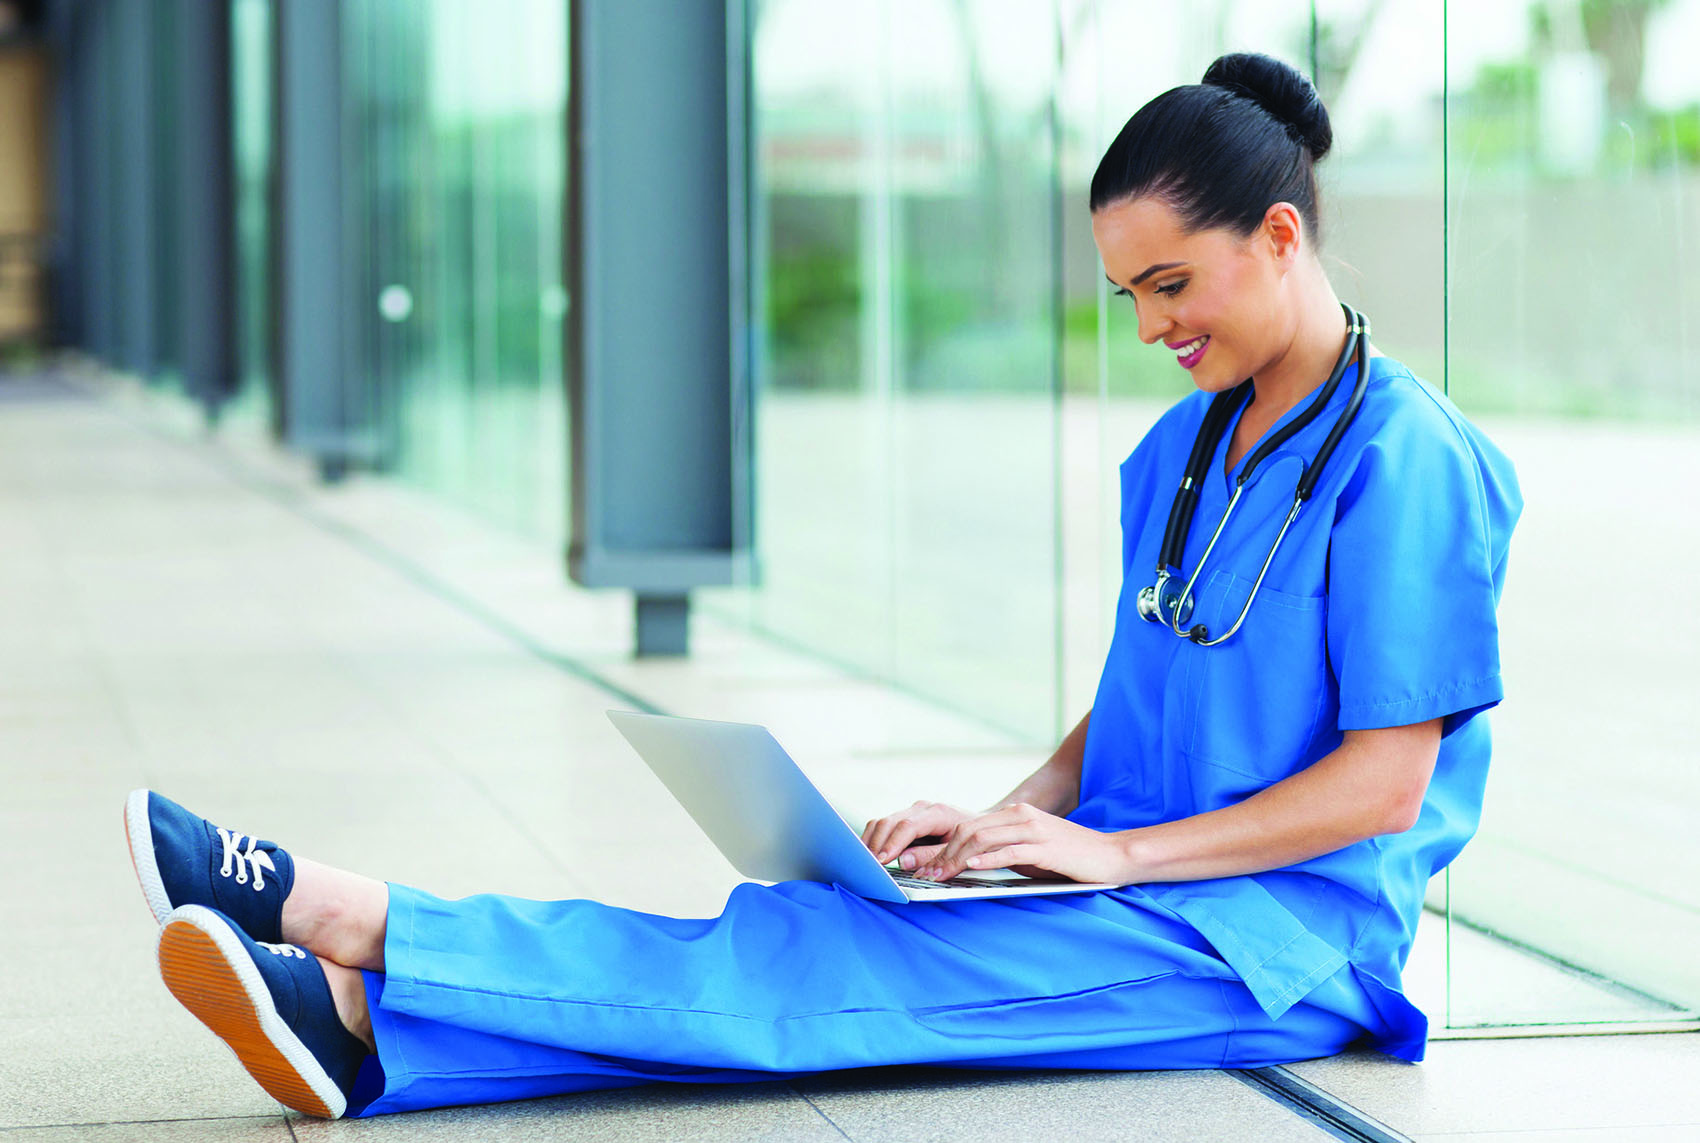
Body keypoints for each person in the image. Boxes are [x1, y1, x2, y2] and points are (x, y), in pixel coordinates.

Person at [125, 52, 1520, 1120]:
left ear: (1281, 236)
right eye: (1129, 297)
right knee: (821, 929)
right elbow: (1134, 701)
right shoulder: (1182, 448)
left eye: (1172, 284)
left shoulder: (1410, 459)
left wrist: (1119, 854)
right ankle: (369, 1031)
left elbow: (1386, 785)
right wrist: (1004, 820)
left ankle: (343, 913)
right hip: (1128, 888)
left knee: (841, 973)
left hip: (1272, 940)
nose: (1153, 326)